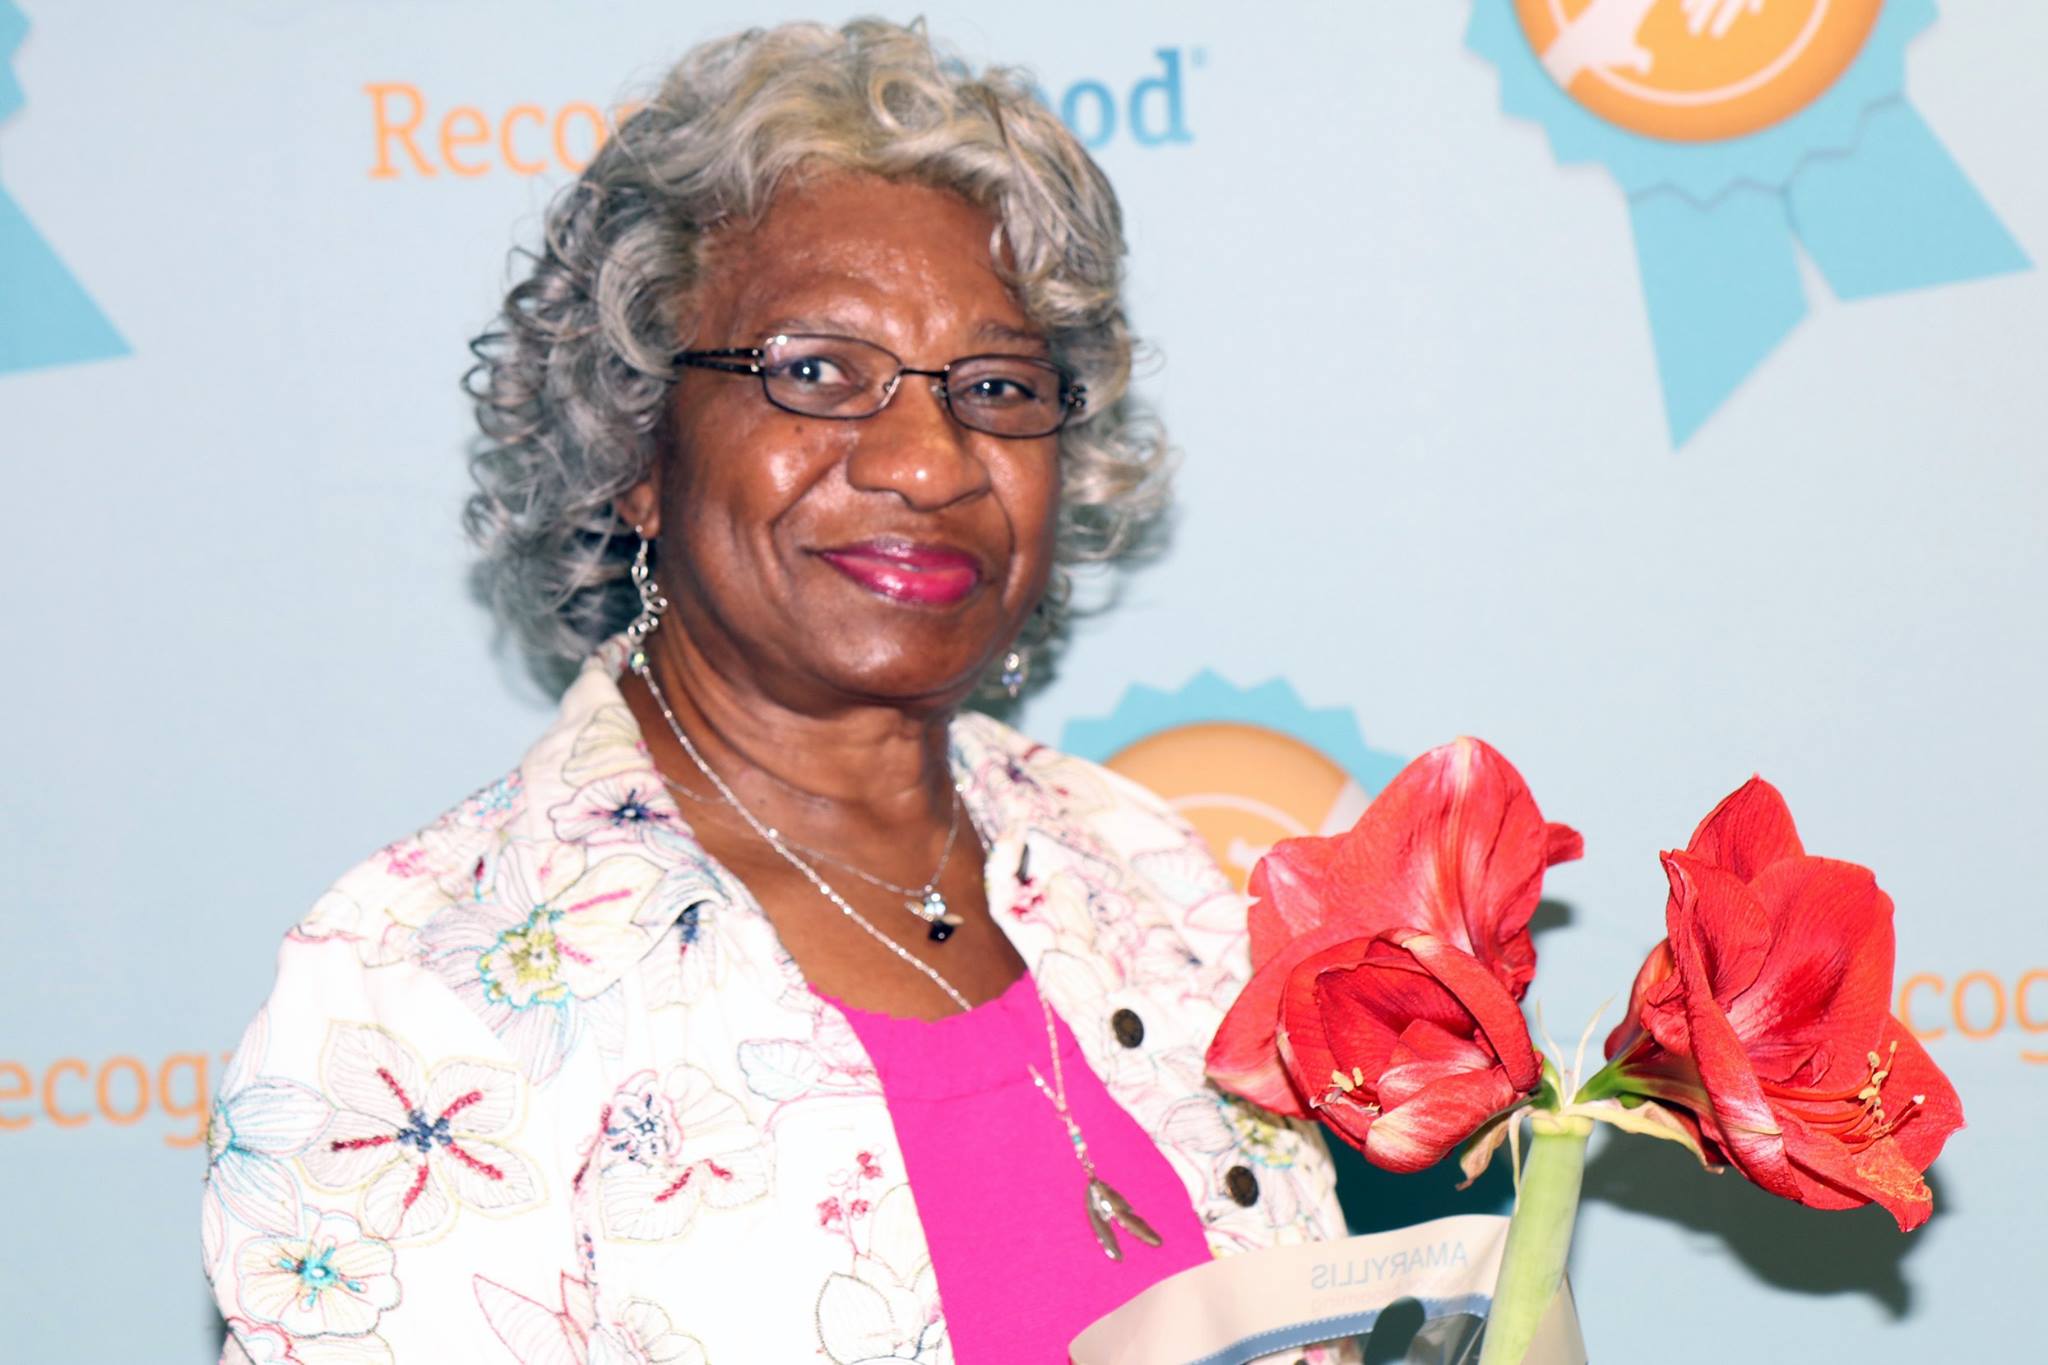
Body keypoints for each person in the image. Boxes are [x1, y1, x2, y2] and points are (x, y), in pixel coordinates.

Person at [202, 19, 1346, 1364]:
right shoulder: (421, 990)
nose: (928, 461)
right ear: (635, 444)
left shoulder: (1151, 874)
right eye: (815, 371)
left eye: (994, 385)